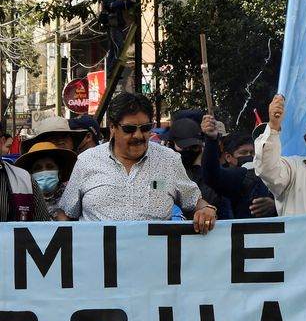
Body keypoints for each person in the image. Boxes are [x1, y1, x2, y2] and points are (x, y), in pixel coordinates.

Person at [59, 93, 217, 232]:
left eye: (145, 128)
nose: (138, 136)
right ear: (113, 127)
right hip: (98, 264)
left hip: (154, 263)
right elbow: (66, 215)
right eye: (129, 129)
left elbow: (194, 201)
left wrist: (206, 210)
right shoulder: (87, 161)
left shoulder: (169, 160)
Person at [200, 116, 277, 219]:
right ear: (228, 157)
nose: (250, 156)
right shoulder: (239, 176)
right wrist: (211, 140)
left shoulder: (272, 172)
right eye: (243, 152)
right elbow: (211, 176)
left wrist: (275, 205)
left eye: (253, 152)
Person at [162, 118, 232, 219]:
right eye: (184, 148)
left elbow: (210, 201)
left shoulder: (210, 175)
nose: (189, 151)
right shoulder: (158, 174)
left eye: (194, 148)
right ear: (170, 145)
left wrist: (198, 169)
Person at [15, 142, 77, 220]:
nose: (44, 171)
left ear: (59, 171)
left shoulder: (72, 195)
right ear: (30, 174)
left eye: (50, 167)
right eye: (37, 168)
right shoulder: (24, 198)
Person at [22, 116, 87, 154]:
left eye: (64, 137)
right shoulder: (33, 173)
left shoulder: (83, 168)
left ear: (72, 143)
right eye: (53, 138)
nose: (60, 142)